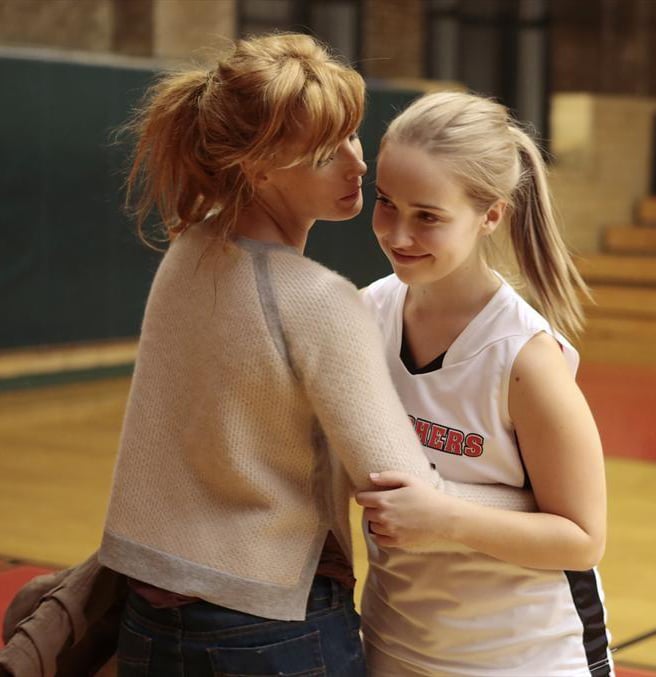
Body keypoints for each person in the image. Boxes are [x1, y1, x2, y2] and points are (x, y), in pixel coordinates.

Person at [97, 35, 533, 677]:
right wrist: (535, 507)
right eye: (326, 153)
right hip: (268, 628)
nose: (357, 166)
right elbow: (401, 496)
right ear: (259, 167)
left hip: (145, 617)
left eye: (353, 136)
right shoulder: (321, 300)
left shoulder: (188, 251)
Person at [356, 91, 613, 676]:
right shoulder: (366, 314)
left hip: (524, 656)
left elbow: (582, 538)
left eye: (427, 216)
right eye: (386, 203)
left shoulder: (523, 358)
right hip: (393, 645)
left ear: (490, 215)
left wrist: (443, 516)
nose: (398, 234)